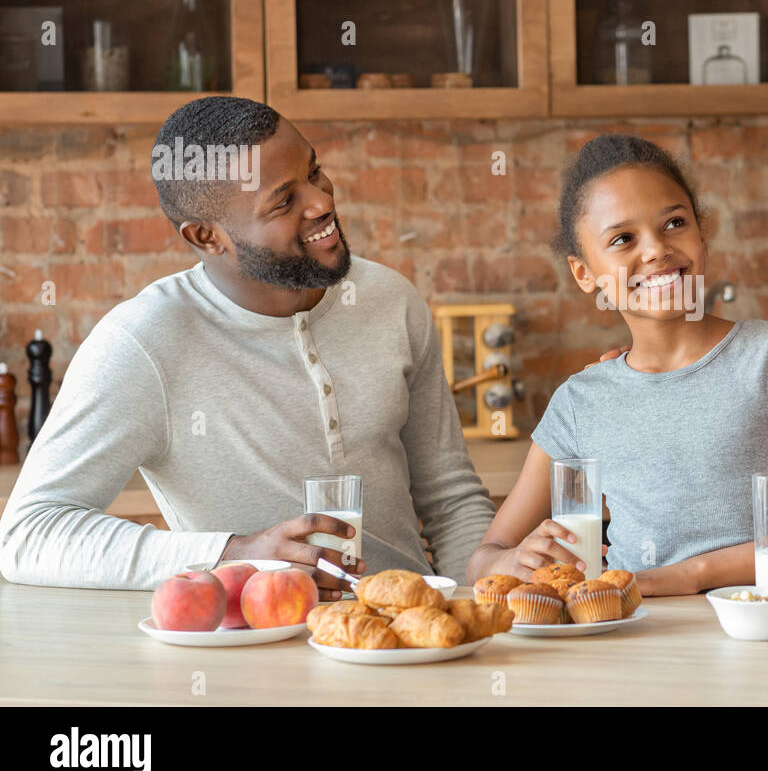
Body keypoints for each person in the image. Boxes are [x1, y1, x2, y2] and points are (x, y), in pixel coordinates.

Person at [0, 97, 495, 596]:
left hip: (409, 639)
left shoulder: (391, 299)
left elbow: (450, 498)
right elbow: (28, 534)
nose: (322, 202)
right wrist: (234, 556)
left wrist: (476, 608)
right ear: (206, 236)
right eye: (283, 202)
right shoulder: (144, 341)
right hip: (252, 657)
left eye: (315, 171)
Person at [466, 134, 768, 595]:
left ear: (701, 233)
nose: (655, 249)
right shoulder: (581, 402)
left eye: (673, 223)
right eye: (623, 238)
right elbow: (484, 560)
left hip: (759, 636)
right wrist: (513, 559)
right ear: (584, 273)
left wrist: (692, 575)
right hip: (633, 636)